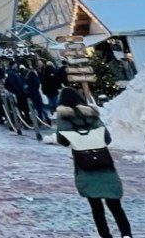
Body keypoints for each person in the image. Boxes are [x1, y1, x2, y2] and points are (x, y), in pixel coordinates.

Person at [55, 87, 131, 238]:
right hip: (103, 159)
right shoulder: (92, 113)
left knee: (96, 205)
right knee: (115, 203)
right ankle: (126, 234)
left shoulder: (64, 117)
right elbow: (107, 138)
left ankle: (105, 235)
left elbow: (62, 140)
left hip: (84, 162)